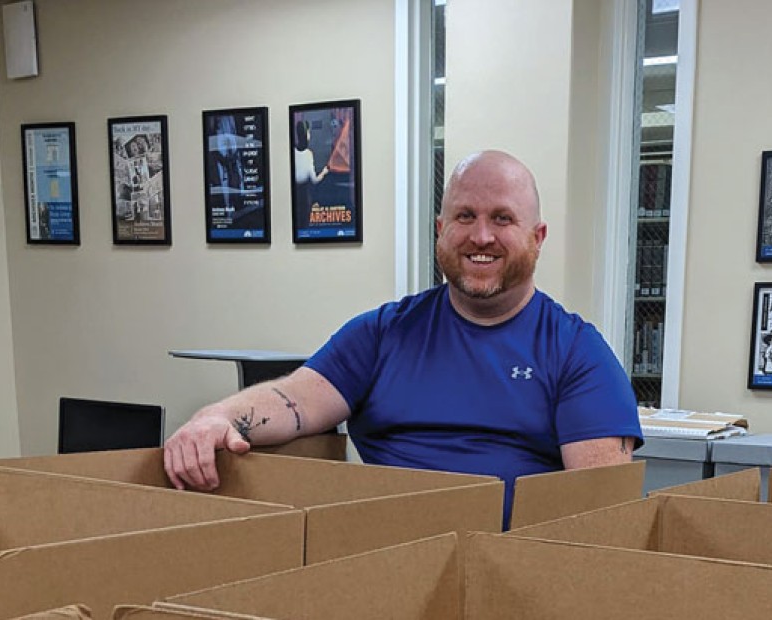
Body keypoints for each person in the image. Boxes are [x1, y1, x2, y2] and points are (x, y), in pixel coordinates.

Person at [165, 150, 643, 526]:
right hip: (385, 557)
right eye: (464, 216)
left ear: (537, 237)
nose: (480, 236)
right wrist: (216, 417)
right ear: (440, 230)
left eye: (502, 218)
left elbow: (599, 515)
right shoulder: (382, 333)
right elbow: (296, 400)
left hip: (510, 573)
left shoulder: (579, 354)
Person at [293, 120, 330, 227]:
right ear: (306, 134)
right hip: (304, 195)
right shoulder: (308, 154)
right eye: (308, 132)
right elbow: (314, 180)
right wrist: (324, 172)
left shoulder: (292, 152)